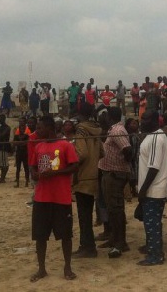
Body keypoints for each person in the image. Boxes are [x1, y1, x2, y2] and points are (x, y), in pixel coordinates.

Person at [29, 115, 79, 283]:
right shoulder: (39, 146)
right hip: (41, 198)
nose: (37, 130)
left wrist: (55, 173)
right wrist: (34, 174)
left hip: (61, 198)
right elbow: (33, 165)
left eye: (40, 127)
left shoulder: (65, 145)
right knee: (40, 236)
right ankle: (41, 268)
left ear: (49, 128)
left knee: (65, 235)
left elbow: (74, 166)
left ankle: (67, 267)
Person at [98, 107, 133, 259]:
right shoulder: (113, 129)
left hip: (115, 173)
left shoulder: (117, 130)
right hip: (110, 172)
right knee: (112, 208)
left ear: (109, 116)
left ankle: (121, 242)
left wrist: (121, 165)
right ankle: (114, 238)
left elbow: (127, 149)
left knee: (116, 208)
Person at [137, 109, 167, 266]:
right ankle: (154, 250)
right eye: (142, 119)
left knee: (152, 223)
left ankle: (155, 256)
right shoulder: (151, 136)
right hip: (151, 188)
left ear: (156, 120)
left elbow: (154, 167)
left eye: (147, 119)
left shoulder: (156, 137)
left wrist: (143, 190)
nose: (143, 122)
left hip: (154, 188)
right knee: (151, 223)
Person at [71, 103, 104, 258]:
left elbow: (81, 154)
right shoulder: (96, 129)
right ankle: (88, 246)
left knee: (84, 215)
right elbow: (102, 152)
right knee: (87, 213)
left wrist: (72, 162)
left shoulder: (81, 130)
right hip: (94, 175)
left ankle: (88, 247)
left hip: (83, 176)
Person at [12, 117, 31, 188]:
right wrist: (21, 143)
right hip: (20, 152)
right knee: (18, 168)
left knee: (25, 167)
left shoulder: (27, 132)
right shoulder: (18, 133)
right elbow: (15, 143)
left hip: (24, 152)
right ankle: (18, 181)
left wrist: (19, 143)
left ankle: (26, 181)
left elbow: (27, 142)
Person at [0, 114, 12, 184]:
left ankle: (3, 178)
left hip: (3, 146)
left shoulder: (7, 128)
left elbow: (1, 136)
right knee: (1, 163)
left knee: (4, 163)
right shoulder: (2, 127)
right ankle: (2, 177)